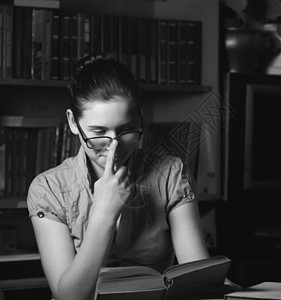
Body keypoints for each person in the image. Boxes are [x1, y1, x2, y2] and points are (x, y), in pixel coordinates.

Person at [27, 53, 241, 300]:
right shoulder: (48, 188)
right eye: (98, 132)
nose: (114, 147)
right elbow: (69, 297)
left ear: (140, 117)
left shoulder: (170, 172)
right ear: (73, 122)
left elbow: (198, 277)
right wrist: (104, 215)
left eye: (127, 130)